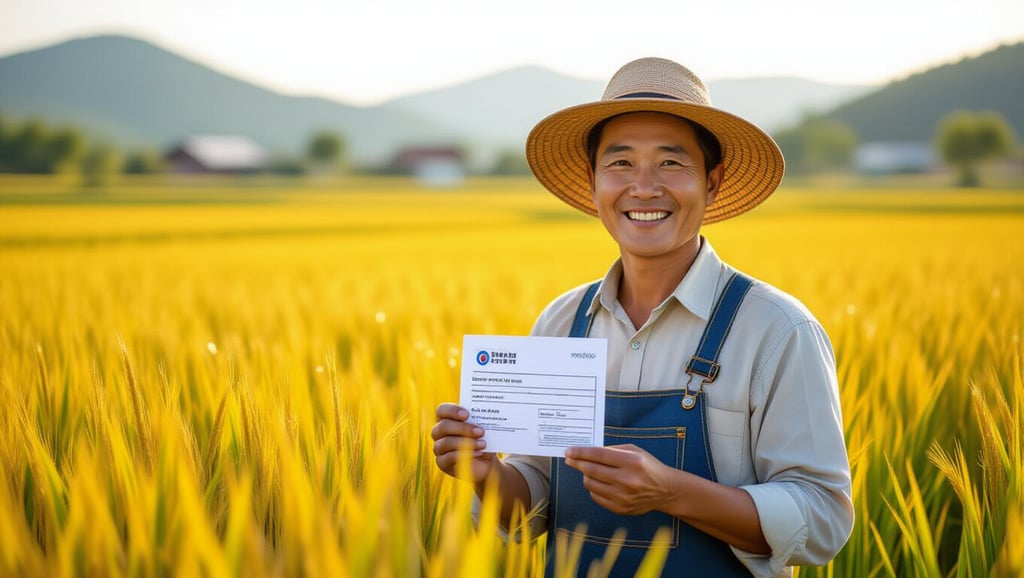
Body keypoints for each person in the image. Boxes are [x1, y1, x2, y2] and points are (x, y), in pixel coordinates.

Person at [431, 57, 853, 577]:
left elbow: (822, 520)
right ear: (592, 182)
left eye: (671, 163)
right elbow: (533, 507)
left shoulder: (776, 330)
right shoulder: (562, 323)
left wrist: (671, 492)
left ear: (713, 181)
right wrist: (483, 473)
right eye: (621, 163)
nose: (645, 187)